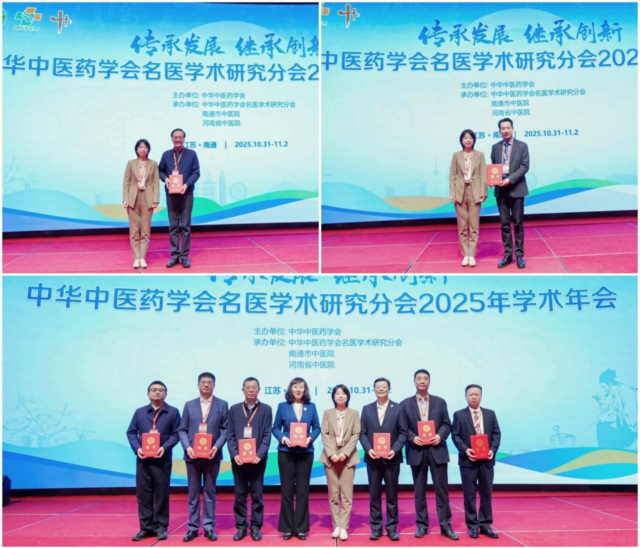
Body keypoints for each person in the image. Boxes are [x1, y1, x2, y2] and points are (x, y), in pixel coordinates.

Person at [401, 369, 458, 540]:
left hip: (437, 450)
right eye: (419, 379)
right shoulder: (405, 404)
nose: (422, 381)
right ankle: (422, 525)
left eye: (425, 379)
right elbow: (403, 428)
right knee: (419, 491)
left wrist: (440, 436)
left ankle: (446, 526)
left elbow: (447, 424)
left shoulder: (440, 402)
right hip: (417, 451)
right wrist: (413, 438)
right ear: (414, 382)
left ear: (429, 382)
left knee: (442, 490)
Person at [126, 381, 181, 542]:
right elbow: (131, 432)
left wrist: (165, 448)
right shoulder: (140, 412)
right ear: (148, 393)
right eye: (154, 390)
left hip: (162, 459)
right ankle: (146, 528)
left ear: (166, 393)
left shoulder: (173, 412)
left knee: (161, 494)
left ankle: (161, 527)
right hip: (143, 460)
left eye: (161, 390)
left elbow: (177, 433)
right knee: (143, 494)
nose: (157, 392)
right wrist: (138, 449)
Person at [178, 372, 229, 542]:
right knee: (193, 493)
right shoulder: (189, 405)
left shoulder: (222, 405)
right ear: (198, 385)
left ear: (214, 385)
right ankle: (192, 527)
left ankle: (208, 527)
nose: (206, 385)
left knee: (210, 492)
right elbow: (182, 429)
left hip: (212, 455)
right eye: (203, 382)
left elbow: (226, 430)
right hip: (192, 455)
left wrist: (216, 446)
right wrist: (187, 447)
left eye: (209, 382)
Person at [272, 377, 321, 541]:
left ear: (305, 390)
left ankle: (300, 528)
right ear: (290, 389)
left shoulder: (311, 407)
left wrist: (310, 438)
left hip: (305, 452)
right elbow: (275, 427)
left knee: (302, 491)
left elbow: (317, 427)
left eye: (301, 387)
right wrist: (283, 438)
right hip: (286, 452)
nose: (298, 390)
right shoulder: (282, 406)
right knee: (286, 491)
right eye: (295, 387)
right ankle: (287, 528)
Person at [360, 377, 407, 542]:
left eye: (384, 386)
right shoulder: (366, 409)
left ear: (389, 389)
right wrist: (369, 449)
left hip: (392, 459)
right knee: (374, 495)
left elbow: (403, 433)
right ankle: (376, 528)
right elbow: (362, 433)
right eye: (378, 387)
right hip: (373, 459)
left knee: (392, 496)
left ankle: (392, 528)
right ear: (374, 389)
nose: (380, 389)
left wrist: (394, 450)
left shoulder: (398, 408)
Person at [227, 377, 273, 542]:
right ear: (243, 390)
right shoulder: (234, 409)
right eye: (248, 387)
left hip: (258, 460)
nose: (251, 390)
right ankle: (241, 526)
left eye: (254, 387)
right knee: (239, 494)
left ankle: (255, 527)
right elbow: (230, 434)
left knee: (257, 494)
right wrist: (235, 454)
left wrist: (259, 454)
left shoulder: (266, 409)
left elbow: (267, 435)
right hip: (239, 460)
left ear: (259, 390)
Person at [452, 384, 501, 539]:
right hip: (468, 461)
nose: (474, 397)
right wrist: (466, 450)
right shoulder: (459, 415)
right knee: (470, 494)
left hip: (487, 460)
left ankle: (485, 524)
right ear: (465, 396)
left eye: (477, 394)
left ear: (481, 396)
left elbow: (496, 434)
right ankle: (472, 525)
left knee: (486, 493)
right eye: (471, 394)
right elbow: (455, 435)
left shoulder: (490, 414)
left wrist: (492, 450)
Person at [320, 385, 361, 541]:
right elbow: (324, 433)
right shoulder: (327, 413)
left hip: (348, 458)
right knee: (333, 494)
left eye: (343, 393)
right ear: (333, 396)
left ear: (348, 396)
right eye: (337, 393)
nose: (341, 396)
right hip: (330, 458)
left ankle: (344, 527)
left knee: (346, 494)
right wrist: (332, 453)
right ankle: (336, 525)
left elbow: (356, 433)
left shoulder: (354, 413)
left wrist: (345, 453)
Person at [490, 117, 530, 269]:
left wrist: (510, 179)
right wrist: (492, 180)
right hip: (501, 190)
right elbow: (494, 167)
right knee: (504, 224)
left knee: (518, 223)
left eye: (508, 128)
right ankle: (507, 254)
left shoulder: (522, 146)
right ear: (499, 131)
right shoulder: (495, 147)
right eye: (503, 128)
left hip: (517, 189)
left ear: (513, 129)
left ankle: (519, 255)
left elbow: (525, 166)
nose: (506, 130)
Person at [158, 128, 200, 269]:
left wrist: (187, 184)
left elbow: (196, 172)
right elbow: (160, 170)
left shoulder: (191, 154)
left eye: (180, 137)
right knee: (173, 225)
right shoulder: (166, 155)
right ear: (172, 139)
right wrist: (165, 179)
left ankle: (185, 256)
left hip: (186, 194)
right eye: (175, 137)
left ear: (184, 139)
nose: (178, 139)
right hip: (171, 194)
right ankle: (174, 255)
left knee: (186, 226)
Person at [449, 129, 488, 267]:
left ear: (474, 140)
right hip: (460, 192)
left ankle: (472, 255)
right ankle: (465, 254)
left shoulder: (480, 155)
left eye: (470, 137)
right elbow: (452, 175)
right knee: (462, 225)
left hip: (474, 191)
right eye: (465, 138)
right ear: (461, 140)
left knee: (474, 225)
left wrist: (483, 192)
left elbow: (483, 174)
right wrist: (452, 193)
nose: (468, 140)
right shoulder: (456, 155)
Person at [123, 139, 159, 269]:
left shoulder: (153, 164)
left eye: (145, 147)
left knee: (145, 230)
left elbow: (156, 182)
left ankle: (142, 257)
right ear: (137, 149)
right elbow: (126, 181)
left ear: (148, 149)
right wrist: (125, 199)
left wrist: (155, 199)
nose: (143, 149)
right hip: (133, 198)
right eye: (141, 147)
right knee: (134, 230)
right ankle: (136, 258)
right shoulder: (131, 163)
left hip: (147, 198)